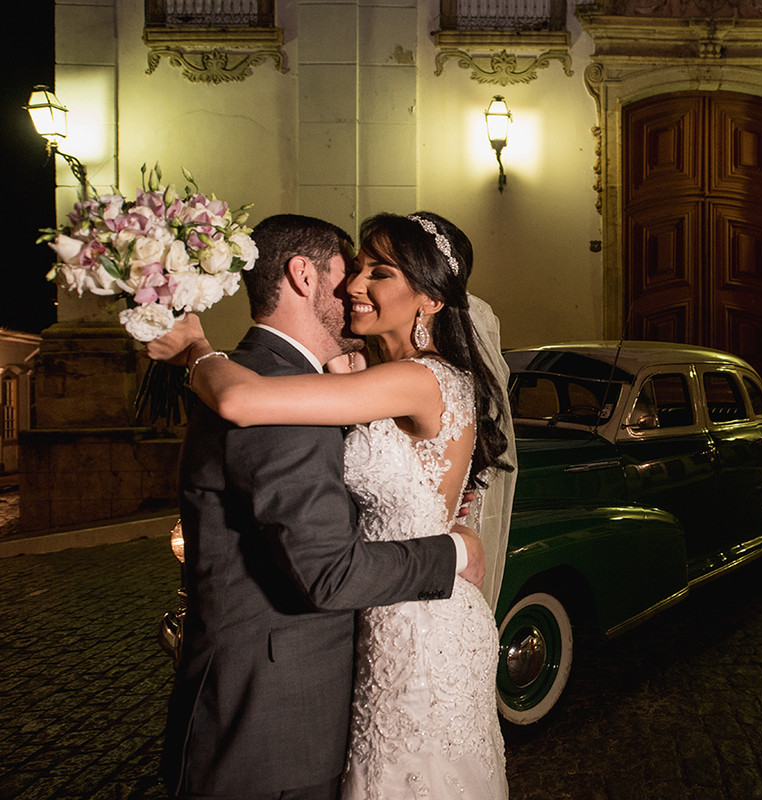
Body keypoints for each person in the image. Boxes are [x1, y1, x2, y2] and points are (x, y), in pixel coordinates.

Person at [151, 212, 513, 799]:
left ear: (429, 299)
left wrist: (196, 349)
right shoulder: (373, 377)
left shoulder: (420, 379)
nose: (354, 286)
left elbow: (243, 400)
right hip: (380, 619)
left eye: (378, 272)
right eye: (355, 268)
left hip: (419, 629)